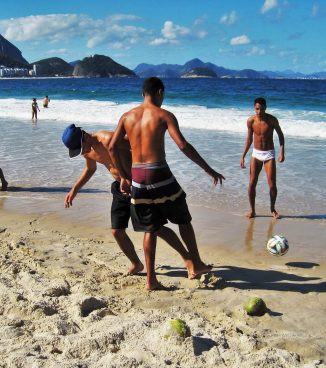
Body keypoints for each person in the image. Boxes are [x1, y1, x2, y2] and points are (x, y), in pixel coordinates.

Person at [109, 77, 225, 290]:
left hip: (138, 177)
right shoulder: (164, 115)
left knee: (150, 228)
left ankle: (151, 280)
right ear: (160, 92)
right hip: (159, 173)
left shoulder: (126, 117)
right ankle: (196, 263)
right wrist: (208, 169)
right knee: (183, 219)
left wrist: (124, 177)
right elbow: (182, 145)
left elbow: (112, 147)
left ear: (142, 93)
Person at [62, 124, 193, 276]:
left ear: (84, 136)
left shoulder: (108, 139)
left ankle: (187, 258)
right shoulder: (87, 151)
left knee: (154, 228)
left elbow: (138, 146)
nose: (82, 152)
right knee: (117, 231)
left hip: (137, 185)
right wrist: (74, 189)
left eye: (80, 148)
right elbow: (90, 169)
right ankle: (136, 264)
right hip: (120, 187)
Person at [240, 97, 285, 219]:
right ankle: (252, 211)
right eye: (257, 109)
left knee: (272, 185)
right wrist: (243, 156)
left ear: (266, 108)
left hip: (269, 154)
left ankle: (272, 209)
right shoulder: (251, 121)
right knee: (251, 184)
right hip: (256, 154)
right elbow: (249, 139)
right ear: (254, 108)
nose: (259, 111)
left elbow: (281, 135)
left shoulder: (272, 120)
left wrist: (282, 152)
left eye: (261, 109)